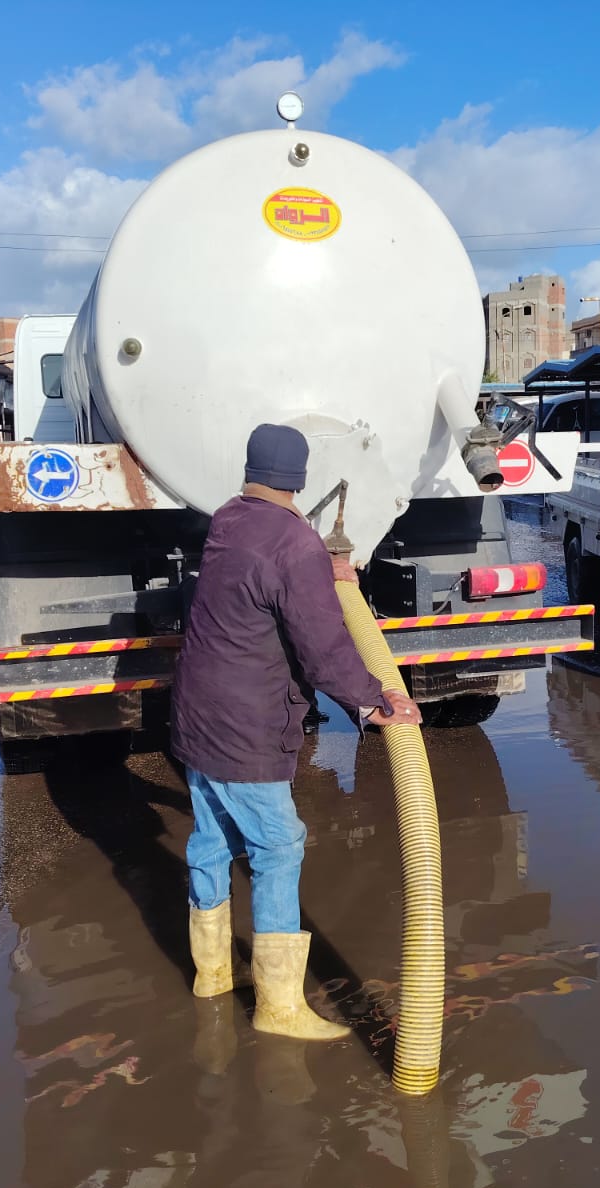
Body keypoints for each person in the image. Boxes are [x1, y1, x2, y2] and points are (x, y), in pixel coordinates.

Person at [170, 423, 421, 1041]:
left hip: (198, 710)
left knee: (211, 837)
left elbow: (269, 587)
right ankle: (280, 1007)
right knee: (278, 846)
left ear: (250, 469)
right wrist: (375, 701)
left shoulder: (230, 519)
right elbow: (323, 650)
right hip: (244, 724)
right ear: (300, 479)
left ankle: (210, 974)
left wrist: (320, 570)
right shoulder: (294, 543)